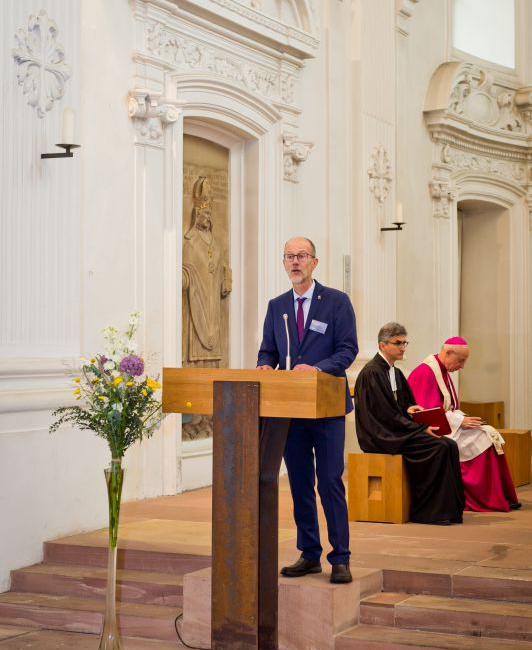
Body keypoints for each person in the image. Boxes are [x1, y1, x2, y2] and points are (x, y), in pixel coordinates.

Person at [257, 237, 358, 583]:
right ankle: (309, 553)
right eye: (289, 256)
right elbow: (267, 350)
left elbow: (348, 350)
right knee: (300, 482)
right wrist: (265, 367)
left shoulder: (336, 302)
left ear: (315, 262)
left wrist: (318, 368)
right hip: (291, 408)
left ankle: (340, 557)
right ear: (284, 263)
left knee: (329, 481)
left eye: (301, 256)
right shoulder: (277, 306)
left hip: (326, 408)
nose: (295, 262)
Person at [354, 322, 465, 525]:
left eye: (405, 343)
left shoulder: (394, 372)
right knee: (438, 447)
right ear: (382, 345)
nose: (403, 347)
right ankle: (428, 512)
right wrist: (420, 428)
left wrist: (409, 409)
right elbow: (383, 415)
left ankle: (452, 510)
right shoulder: (372, 372)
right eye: (398, 343)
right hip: (381, 435)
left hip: (395, 429)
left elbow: (401, 405)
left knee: (450, 445)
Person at [407, 337, 520, 512]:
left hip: (449, 425)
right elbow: (426, 412)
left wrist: (464, 419)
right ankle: (485, 499)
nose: (462, 366)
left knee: (488, 434)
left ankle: (500, 496)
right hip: (433, 431)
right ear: (448, 353)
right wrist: (460, 421)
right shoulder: (425, 372)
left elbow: (450, 407)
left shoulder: (442, 371)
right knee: (483, 440)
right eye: (461, 360)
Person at [182, 176, 232, 365]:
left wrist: (225, 276)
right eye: (205, 215)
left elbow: (222, 263)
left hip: (213, 294)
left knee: (214, 326)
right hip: (199, 292)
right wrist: (189, 275)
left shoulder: (213, 240)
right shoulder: (190, 240)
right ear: (197, 216)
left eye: (210, 215)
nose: (208, 218)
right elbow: (187, 266)